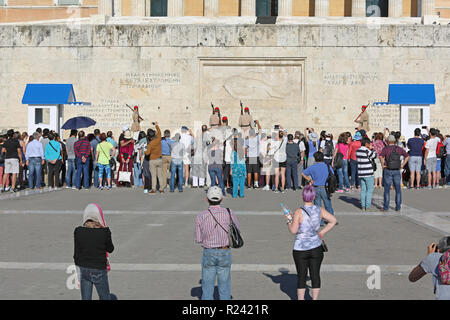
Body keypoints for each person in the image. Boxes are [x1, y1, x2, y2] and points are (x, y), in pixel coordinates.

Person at [285, 185, 337, 300]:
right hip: (316, 247)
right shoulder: (319, 209)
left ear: (303, 196)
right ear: (313, 197)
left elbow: (293, 231)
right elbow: (333, 220)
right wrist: (322, 232)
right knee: (315, 275)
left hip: (300, 249)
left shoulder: (299, 212)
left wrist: (289, 219)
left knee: (301, 276)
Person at [194, 186, 240, 300]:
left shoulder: (201, 216)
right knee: (224, 284)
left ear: (207, 199)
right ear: (222, 199)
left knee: (207, 285)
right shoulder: (229, 213)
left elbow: (198, 238)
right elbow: (237, 231)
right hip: (224, 250)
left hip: (208, 251)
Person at [74, 203, 115, 300]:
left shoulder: (78, 231)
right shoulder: (104, 232)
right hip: (98, 269)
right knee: (105, 297)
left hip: (84, 268)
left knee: (86, 298)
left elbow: (76, 254)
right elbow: (110, 249)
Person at [379, 135, 410, 212]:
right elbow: (407, 156)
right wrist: (402, 165)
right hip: (397, 170)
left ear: (388, 141)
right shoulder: (399, 149)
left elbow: (380, 157)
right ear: (394, 141)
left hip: (388, 169)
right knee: (398, 189)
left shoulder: (385, 149)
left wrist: (383, 165)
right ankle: (398, 207)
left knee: (387, 189)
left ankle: (386, 207)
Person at [302, 152, 335, 221]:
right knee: (328, 204)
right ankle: (331, 219)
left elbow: (303, 173)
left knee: (317, 206)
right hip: (325, 188)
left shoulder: (312, 167)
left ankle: (320, 221)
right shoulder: (327, 166)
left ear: (315, 158)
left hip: (316, 187)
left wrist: (310, 180)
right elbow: (333, 175)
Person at [356, 138, 377, 211]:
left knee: (363, 190)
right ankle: (367, 205)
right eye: (369, 144)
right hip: (368, 172)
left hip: (361, 173)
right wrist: (372, 149)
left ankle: (363, 206)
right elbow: (374, 155)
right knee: (369, 189)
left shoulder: (358, 151)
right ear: (366, 144)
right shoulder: (366, 150)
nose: (370, 145)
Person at [145, 123, 163, 193]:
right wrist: (156, 125)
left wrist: (145, 151)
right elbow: (159, 132)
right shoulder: (158, 139)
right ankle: (161, 189)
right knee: (160, 175)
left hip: (152, 160)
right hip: (159, 159)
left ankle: (154, 189)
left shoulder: (150, 144)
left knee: (153, 176)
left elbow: (147, 153)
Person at [244, 121, 261, 189]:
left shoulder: (247, 140)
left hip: (249, 156)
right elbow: (260, 131)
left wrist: (245, 156)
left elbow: (245, 149)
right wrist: (258, 123)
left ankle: (249, 184)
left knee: (249, 172)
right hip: (255, 156)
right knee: (256, 171)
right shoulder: (257, 138)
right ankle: (256, 184)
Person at [272, 128, 288, 193]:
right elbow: (286, 135)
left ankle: (276, 188)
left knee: (277, 175)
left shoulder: (275, 142)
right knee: (283, 174)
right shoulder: (285, 141)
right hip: (283, 158)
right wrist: (282, 129)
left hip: (276, 158)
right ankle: (283, 188)